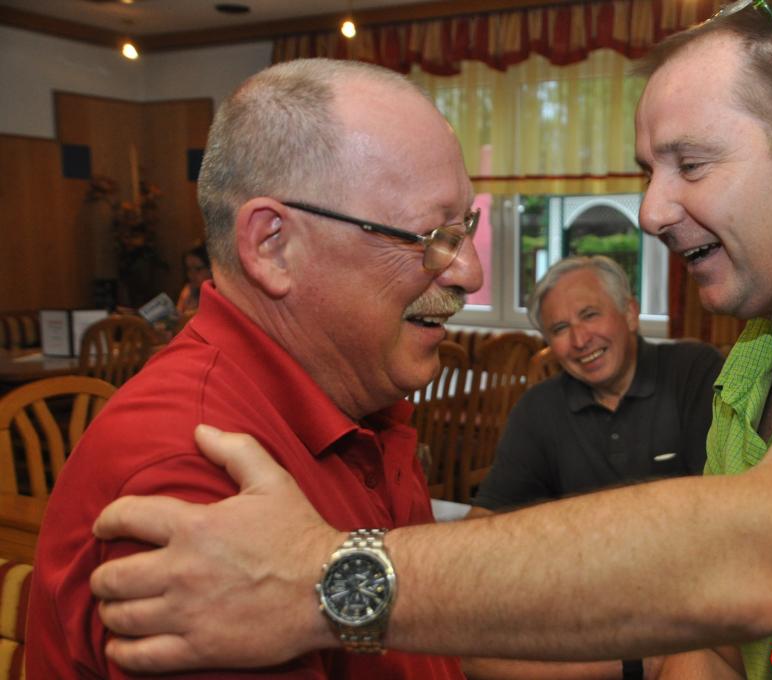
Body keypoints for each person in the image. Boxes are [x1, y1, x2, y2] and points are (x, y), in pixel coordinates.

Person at [89, 4, 772, 679]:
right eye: (648, 171)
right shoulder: (754, 359)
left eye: (692, 164)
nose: (652, 212)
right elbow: (726, 643)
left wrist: (324, 582)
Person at [26, 58, 483, 679]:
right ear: (272, 246)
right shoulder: (195, 475)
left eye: (465, 227)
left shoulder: (357, 398)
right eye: (430, 235)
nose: (469, 272)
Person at [470, 255, 721, 514]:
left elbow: (721, 497)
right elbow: (490, 511)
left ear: (630, 314)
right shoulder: (538, 407)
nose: (580, 341)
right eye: (560, 328)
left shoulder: (694, 372)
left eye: (589, 315)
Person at [175, 242, 212, 319]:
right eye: (189, 269)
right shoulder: (189, 290)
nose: (191, 275)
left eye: (198, 269)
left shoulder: (220, 294)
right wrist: (183, 301)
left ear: (211, 269)